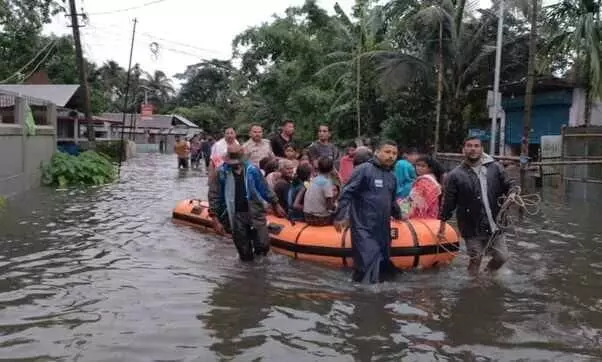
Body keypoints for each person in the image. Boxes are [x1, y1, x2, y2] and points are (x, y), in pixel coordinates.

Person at [438, 136, 520, 275]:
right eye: (469, 146)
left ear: (482, 149)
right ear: (463, 150)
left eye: (476, 146)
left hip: (495, 223)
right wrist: (442, 225)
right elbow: (449, 202)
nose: (473, 149)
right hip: (470, 225)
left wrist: (513, 192)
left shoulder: (495, 168)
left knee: (502, 257)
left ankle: (488, 274)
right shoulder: (455, 175)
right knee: (476, 258)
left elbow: (509, 183)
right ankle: (473, 285)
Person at [334, 140, 403, 284]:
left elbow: (391, 201)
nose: (391, 156)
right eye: (387, 152)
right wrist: (340, 216)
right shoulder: (364, 170)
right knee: (366, 265)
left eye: (394, 153)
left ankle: (379, 301)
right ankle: (362, 298)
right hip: (363, 227)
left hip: (382, 228)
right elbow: (347, 193)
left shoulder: (392, 176)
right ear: (377, 152)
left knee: (383, 266)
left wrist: (399, 215)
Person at [208, 144, 286, 261]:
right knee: (244, 252)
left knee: (263, 245)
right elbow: (214, 195)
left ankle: (259, 271)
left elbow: (264, 188)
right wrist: (215, 218)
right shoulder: (221, 172)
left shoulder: (252, 170)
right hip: (235, 214)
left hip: (255, 211)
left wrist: (276, 203)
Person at [303, 157, 336, 226]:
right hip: (319, 218)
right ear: (332, 169)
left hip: (306, 216)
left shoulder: (313, 180)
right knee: (342, 214)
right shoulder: (327, 183)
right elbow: (329, 206)